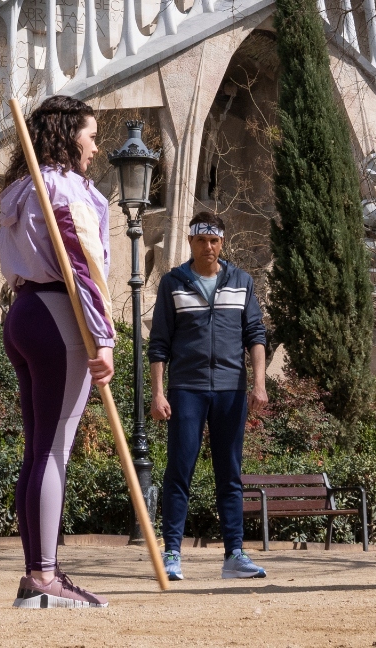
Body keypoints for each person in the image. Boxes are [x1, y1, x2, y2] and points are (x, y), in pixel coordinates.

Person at [0, 95, 115, 608]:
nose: (96, 145)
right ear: (68, 135)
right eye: (90, 134)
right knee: (52, 449)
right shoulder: (64, 190)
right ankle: (44, 577)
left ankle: (40, 573)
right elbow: (83, 266)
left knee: (39, 448)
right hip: (58, 316)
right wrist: (104, 336)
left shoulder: (21, 188)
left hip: (24, 313)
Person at [148, 211, 269, 581]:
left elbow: (256, 335)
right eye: (201, 240)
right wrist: (157, 393)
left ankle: (234, 555)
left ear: (222, 242)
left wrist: (259, 383)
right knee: (179, 470)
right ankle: (172, 553)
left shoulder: (242, 281)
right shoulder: (173, 283)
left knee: (229, 473)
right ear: (191, 242)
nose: (208, 247)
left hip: (231, 390)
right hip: (187, 389)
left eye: (214, 240)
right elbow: (159, 343)